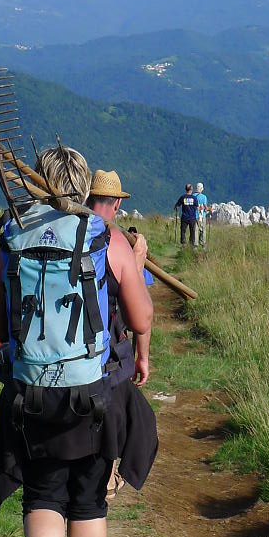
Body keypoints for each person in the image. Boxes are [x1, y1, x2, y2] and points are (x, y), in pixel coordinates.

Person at [0, 147, 156, 537]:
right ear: (84, 188)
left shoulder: (14, 234)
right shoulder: (105, 237)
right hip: (95, 398)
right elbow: (141, 318)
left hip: (32, 396)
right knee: (89, 501)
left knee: (42, 494)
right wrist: (132, 267)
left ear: (38, 183)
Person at [86, 168, 151, 500]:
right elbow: (139, 317)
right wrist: (143, 357)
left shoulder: (71, 233)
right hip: (108, 351)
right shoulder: (116, 243)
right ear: (116, 204)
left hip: (65, 351)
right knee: (135, 415)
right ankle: (109, 476)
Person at [175, 182, 198, 247]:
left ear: (186, 189)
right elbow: (197, 206)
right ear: (191, 189)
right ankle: (191, 245)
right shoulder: (194, 198)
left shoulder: (183, 197)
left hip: (184, 217)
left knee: (183, 231)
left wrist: (176, 209)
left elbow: (177, 206)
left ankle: (183, 243)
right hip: (192, 217)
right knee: (192, 232)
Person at [195, 181, 211, 248]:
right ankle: (203, 244)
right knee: (203, 230)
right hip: (202, 216)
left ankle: (195, 245)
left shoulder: (193, 196)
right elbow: (206, 208)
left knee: (195, 230)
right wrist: (210, 209)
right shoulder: (204, 197)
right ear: (201, 189)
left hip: (194, 216)